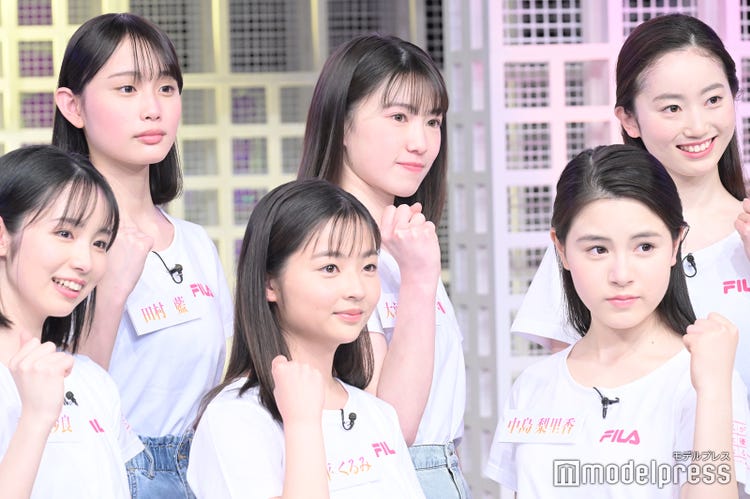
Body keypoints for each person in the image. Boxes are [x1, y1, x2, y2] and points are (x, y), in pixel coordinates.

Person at [486, 144, 750, 497]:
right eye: (598, 250)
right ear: (561, 250)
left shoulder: (704, 379)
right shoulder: (533, 387)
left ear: (675, 244)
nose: (621, 275)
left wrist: (713, 391)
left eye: (644, 247)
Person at [512, 14, 750, 384]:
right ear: (629, 120)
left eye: (713, 100)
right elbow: (571, 383)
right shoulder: (594, 226)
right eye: (672, 108)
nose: (698, 126)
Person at [52, 13, 233, 498]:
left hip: (202, 471)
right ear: (73, 106)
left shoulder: (195, 243)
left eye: (167, 88)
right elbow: (66, 397)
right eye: (127, 89)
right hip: (112, 470)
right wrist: (111, 293)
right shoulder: (57, 243)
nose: (153, 109)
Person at [296, 33, 469, 498]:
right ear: (342, 123)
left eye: (433, 121)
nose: (421, 142)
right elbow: (393, 425)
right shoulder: (325, 245)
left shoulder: (403, 244)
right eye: (398, 117)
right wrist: (419, 279)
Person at [187, 178, 425, 498]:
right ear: (270, 284)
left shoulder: (378, 415)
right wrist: (302, 424)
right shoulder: (235, 417)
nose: (357, 289)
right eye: (330, 268)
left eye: (369, 266)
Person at [0, 145, 143, 498]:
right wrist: (35, 419)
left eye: (100, 243)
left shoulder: (93, 381)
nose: (86, 261)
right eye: (64, 233)